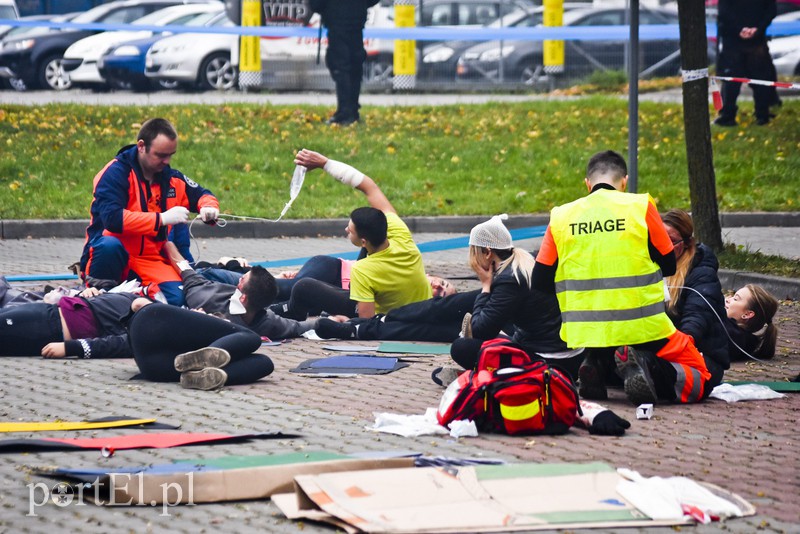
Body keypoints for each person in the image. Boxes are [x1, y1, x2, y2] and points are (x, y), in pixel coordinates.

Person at [533, 150, 711, 405]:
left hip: (586, 332)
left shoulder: (561, 216)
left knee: (608, 347)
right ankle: (647, 364)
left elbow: (539, 280)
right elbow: (669, 264)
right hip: (643, 327)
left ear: (587, 183)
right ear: (624, 181)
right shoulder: (639, 206)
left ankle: (595, 363)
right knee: (701, 377)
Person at [79, 118, 220, 306]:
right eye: (161, 155)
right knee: (109, 246)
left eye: (171, 155)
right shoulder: (115, 173)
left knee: (177, 299)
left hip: (150, 259)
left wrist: (209, 207)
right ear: (141, 146)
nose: (167, 161)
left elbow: (202, 194)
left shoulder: (172, 178)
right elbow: (112, 219)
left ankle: (136, 297)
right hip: (115, 253)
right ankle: (99, 296)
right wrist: (161, 219)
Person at [293, 149, 432, 318]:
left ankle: (280, 314)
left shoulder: (363, 270)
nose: (346, 231)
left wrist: (340, 323)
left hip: (382, 314)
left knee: (302, 287)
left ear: (364, 241)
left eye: (350, 231)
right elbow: (369, 188)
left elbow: (366, 323)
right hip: (421, 310)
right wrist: (325, 163)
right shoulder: (401, 233)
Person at [448, 215, 584, 380]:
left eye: (474, 252)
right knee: (496, 334)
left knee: (461, 347)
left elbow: (480, 330)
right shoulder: (525, 261)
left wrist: (485, 288)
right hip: (564, 350)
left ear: (487, 253)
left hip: (551, 360)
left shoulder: (509, 279)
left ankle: (502, 372)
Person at [169, 245, 317, 340]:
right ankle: (231, 264)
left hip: (201, 275)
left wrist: (165, 242)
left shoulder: (208, 298)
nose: (239, 282)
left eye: (242, 281)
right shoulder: (267, 321)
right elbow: (299, 327)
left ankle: (229, 263)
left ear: (243, 298)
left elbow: (185, 269)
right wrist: (332, 322)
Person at [128, 299, 274, 391]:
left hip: (153, 364)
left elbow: (138, 303)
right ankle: (210, 362)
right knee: (253, 341)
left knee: (264, 362)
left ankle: (206, 371)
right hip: (158, 367)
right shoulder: (202, 328)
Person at [661, 209, 729, 392]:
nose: (664, 245)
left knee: (661, 367)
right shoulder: (651, 265)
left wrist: (679, 346)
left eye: (671, 241)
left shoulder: (702, 272)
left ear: (687, 243)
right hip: (664, 345)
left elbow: (697, 316)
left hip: (700, 354)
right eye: (660, 238)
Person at [0, 287, 137, 359]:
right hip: (49, 310)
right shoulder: (147, 302)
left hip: (51, 328)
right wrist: (88, 292)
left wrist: (71, 348)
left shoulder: (153, 324)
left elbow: (123, 344)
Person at [309, 0, 379, 125]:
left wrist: (324, 8)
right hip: (357, 20)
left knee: (340, 66)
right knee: (355, 65)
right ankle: (352, 111)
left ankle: (345, 113)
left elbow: (316, 4)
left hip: (336, 20)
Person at [315, 289, 481, 342]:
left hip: (489, 328)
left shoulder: (502, 286)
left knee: (431, 326)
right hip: (485, 312)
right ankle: (366, 325)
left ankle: (364, 327)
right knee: (434, 311)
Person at [714, 0, 778, 126]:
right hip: (756, 40)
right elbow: (771, 10)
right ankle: (762, 115)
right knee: (760, 79)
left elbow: (724, 11)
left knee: (731, 79)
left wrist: (739, 29)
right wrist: (758, 28)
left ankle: (727, 116)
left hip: (732, 40)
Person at [724, 284, 779, 360]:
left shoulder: (726, 332)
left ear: (747, 314)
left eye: (736, 299)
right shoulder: (747, 342)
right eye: (732, 296)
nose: (727, 299)